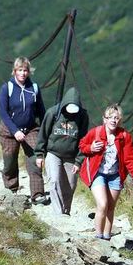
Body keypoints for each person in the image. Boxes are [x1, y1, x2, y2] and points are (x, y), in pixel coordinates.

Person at [78, 104, 133, 240]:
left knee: (111, 207)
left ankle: (107, 237)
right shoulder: (95, 132)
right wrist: (91, 148)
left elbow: (130, 158)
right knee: (103, 204)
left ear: (120, 120)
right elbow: (82, 145)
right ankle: (98, 237)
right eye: (110, 117)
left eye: (116, 118)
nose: (113, 120)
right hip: (97, 173)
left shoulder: (124, 136)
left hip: (115, 175)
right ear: (104, 119)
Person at [34, 86, 89, 215]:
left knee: (70, 186)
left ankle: (65, 211)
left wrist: (79, 161)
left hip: (71, 156)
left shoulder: (82, 116)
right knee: (54, 180)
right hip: (53, 153)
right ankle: (58, 214)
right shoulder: (52, 113)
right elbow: (43, 134)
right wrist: (39, 154)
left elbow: (83, 140)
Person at [0, 56, 46, 201]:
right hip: (9, 130)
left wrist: (45, 130)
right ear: (14, 71)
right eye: (20, 70)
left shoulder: (34, 88)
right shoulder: (7, 87)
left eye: (25, 70)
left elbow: (41, 111)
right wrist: (15, 131)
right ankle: (11, 189)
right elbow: (3, 112)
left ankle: (37, 194)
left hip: (30, 128)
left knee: (34, 158)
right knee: (10, 160)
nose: (23, 73)